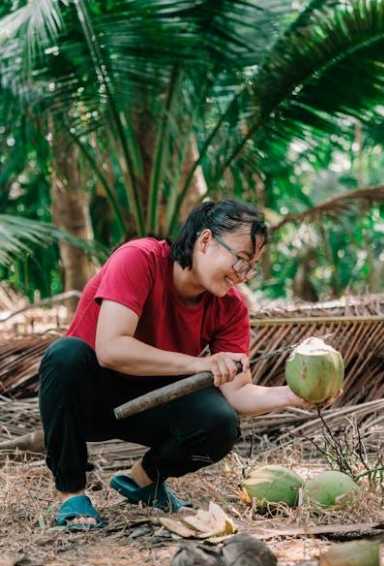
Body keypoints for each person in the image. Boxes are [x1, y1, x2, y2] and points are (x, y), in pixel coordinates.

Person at [39, 198, 308, 530]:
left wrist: (296, 395)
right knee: (63, 356)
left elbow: (238, 394)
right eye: (240, 260)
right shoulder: (140, 258)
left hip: (152, 407)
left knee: (221, 421)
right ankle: (71, 493)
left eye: (251, 266)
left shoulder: (231, 308)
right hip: (91, 399)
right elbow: (111, 349)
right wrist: (200, 364)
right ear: (205, 241)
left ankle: (143, 481)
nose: (243, 276)